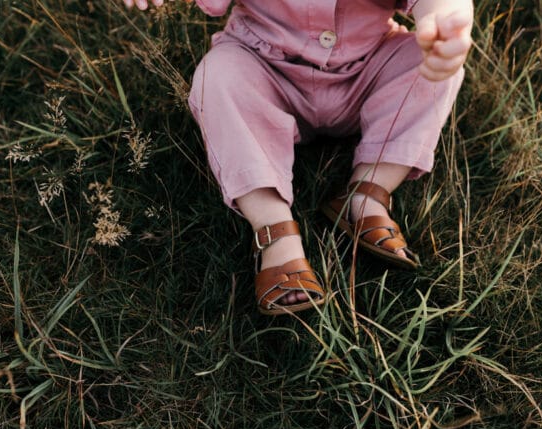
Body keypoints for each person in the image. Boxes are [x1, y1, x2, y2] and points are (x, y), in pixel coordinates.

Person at [122, 0, 473, 315]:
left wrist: (444, 26)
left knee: (426, 65)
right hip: (266, 68)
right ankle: (274, 227)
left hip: (366, 71)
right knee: (218, 77)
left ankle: (370, 190)